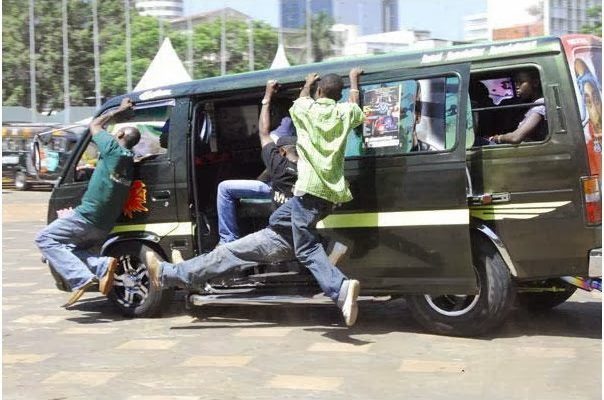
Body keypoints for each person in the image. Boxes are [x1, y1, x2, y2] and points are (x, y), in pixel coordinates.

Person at [267, 68, 365, 327]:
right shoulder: (344, 112)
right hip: (330, 194)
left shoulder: (306, 110)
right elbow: (354, 107)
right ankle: (331, 247)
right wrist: (354, 80)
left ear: (319, 91)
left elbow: (300, 101)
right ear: (339, 94)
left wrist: (307, 84)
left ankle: (341, 289)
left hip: (308, 190)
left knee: (306, 249)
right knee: (278, 219)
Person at [35, 98, 141, 307]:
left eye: (116, 132)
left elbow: (95, 124)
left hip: (87, 217)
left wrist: (119, 111)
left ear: (119, 135)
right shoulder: (129, 161)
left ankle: (81, 278)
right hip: (103, 226)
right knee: (69, 249)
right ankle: (101, 266)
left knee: (44, 239)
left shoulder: (112, 148)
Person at [216, 115, 296, 244]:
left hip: (274, 189)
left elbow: (264, 135)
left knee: (224, 188)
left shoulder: (278, 163)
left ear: (282, 151)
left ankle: (227, 240)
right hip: (286, 190)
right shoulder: (302, 161)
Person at [489, 71, 546, 145]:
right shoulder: (532, 104)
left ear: (535, 83)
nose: (516, 86)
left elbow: (515, 138)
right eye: (515, 82)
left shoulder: (540, 104)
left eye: (521, 82)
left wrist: (497, 138)